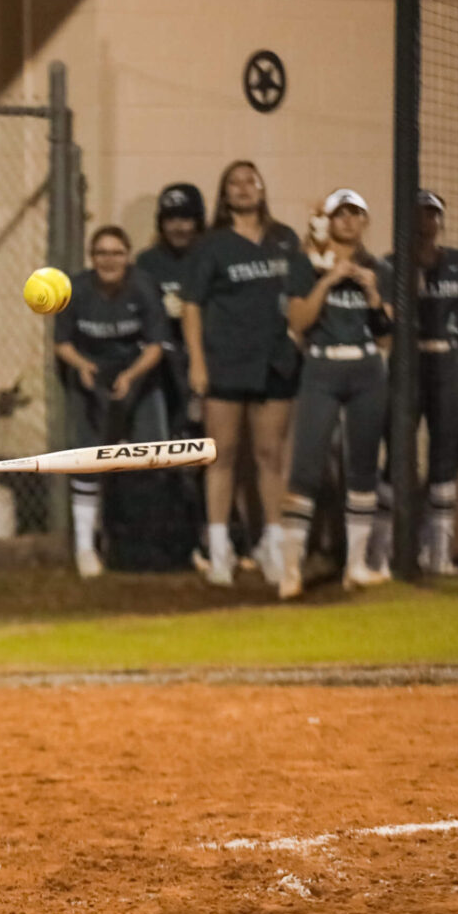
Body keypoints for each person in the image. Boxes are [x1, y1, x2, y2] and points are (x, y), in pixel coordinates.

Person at [182, 160, 311, 587]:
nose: (242, 189)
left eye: (250, 181)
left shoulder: (284, 240)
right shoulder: (210, 245)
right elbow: (191, 305)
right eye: (233, 182)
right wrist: (198, 362)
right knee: (222, 456)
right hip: (225, 362)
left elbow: (299, 298)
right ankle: (220, 548)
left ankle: (273, 545)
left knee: (270, 456)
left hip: (273, 362)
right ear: (224, 193)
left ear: (262, 188)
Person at [371, 190, 458, 574]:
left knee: (444, 457)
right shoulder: (391, 265)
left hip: (448, 360)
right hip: (408, 362)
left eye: (433, 215)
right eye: (420, 214)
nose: (427, 222)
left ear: (441, 221)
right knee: (398, 455)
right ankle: (380, 551)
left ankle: (436, 553)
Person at [278, 189, 392, 598]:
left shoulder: (377, 267)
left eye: (355, 214)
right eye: (340, 214)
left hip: (365, 368)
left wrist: (374, 293)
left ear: (364, 221)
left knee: (363, 466)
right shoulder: (304, 264)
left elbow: (385, 336)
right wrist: (328, 279)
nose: (348, 221)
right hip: (322, 366)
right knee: (306, 467)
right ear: (327, 220)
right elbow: (298, 321)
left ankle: (357, 566)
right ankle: (290, 570)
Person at [54, 226, 169, 577]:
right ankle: (85, 548)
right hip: (92, 378)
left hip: (138, 377)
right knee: (87, 458)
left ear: (128, 256)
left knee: (151, 456)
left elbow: (156, 346)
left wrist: (131, 377)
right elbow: (62, 343)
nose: (109, 260)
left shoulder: (144, 287)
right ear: (92, 257)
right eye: (102, 253)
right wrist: (83, 368)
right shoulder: (75, 290)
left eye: (117, 253)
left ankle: (142, 544)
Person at [136, 183, 206, 438]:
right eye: (171, 219)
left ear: (198, 221)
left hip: (206, 353)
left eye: (186, 219)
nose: (178, 227)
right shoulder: (147, 262)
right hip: (164, 358)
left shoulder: (209, 257)